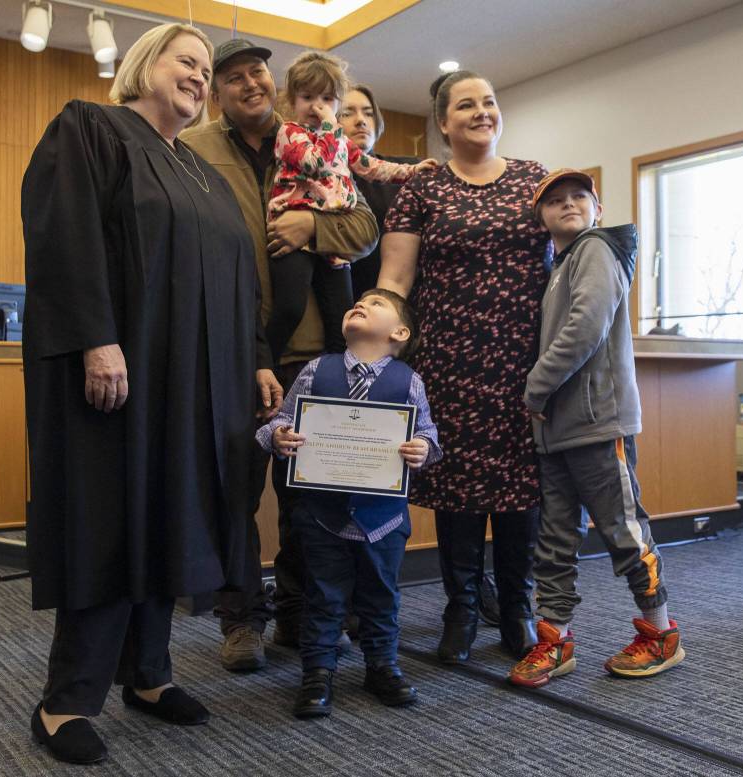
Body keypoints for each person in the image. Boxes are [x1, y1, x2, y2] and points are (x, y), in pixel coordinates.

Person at [21, 24, 265, 764]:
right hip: (120, 374)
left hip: (197, 384)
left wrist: (253, 358)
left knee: (172, 518)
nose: (198, 74)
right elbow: (63, 238)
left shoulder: (204, 173)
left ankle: (149, 675)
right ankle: (64, 702)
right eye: (184, 61)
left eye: (204, 68)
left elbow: (238, 278)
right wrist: (96, 336)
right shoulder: (92, 129)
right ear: (142, 65)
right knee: (110, 519)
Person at [182, 39, 380, 672]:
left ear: (275, 82)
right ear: (217, 93)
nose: (249, 84)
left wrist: (310, 228)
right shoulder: (193, 150)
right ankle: (241, 618)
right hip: (233, 350)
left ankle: (300, 616)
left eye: (257, 72)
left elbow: (364, 227)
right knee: (234, 491)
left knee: (308, 497)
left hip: (309, 354)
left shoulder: (312, 135)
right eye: (233, 78)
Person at [378, 70, 551, 664]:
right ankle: (462, 607)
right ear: (443, 122)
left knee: (519, 488)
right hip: (449, 361)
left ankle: (518, 607)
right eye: (466, 105)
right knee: (456, 489)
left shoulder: (536, 181)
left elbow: (574, 254)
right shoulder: (421, 190)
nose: (483, 112)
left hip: (526, 364)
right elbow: (395, 278)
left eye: (491, 102)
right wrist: (378, 347)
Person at [508, 169, 684, 688]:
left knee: (624, 532)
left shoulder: (596, 249)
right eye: (555, 200)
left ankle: (661, 633)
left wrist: (534, 388)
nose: (568, 204)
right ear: (540, 217)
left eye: (579, 196)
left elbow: (587, 325)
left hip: (596, 423)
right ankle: (555, 640)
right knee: (555, 540)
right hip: (556, 431)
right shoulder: (558, 265)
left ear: (598, 208)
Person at [257, 289, 441, 718]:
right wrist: (279, 438)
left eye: (376, 304)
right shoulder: (314, 370)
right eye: (357, 302)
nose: (360, 304)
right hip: (322, 515)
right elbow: (281, 421)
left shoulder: (409, 380)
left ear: (399, 332)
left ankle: (383, 666)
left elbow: (430, 436)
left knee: (382, 596)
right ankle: (317, 672)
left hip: (383, 519)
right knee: (322, 596)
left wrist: (420, 448)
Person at [264, 52, 434, 363]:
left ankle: (334, 379)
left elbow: (370, 167)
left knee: (342, 319)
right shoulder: (289, 132)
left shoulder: (340, 140)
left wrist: (411, 171)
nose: (317, 106)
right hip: (294, 232)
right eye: (308, 97)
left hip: (334, 237)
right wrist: (331, 126)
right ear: (293, 100)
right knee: (290, 306)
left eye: (327, 99)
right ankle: (262, 363)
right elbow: (314, 162)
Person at [338, 84, 421, 300]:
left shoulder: (409, 173)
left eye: (368, 113)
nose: (361, 120)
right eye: (347, 113)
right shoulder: (324, 179)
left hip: (405, 305)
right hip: (345, 301)